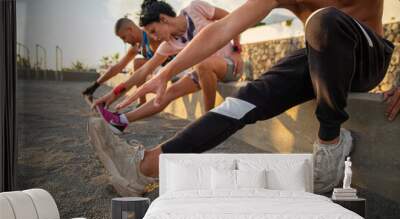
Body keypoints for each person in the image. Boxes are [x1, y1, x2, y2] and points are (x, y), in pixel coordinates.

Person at [120, 0, 394, 194]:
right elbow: (222, 29)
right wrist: (166, 73)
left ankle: (330, 140)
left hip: (368, 56)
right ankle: (152, 162)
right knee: (245, 99)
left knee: (324, 19)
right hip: (320, 55)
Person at [92, 0, 243, 134]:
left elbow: (232, 19)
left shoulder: (195, 8)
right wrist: (112, 94)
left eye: (153, 31)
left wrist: (237, 50)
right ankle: (121, 121)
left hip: (230, 65)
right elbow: (142, 72)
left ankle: (209, 121)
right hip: (203, 72)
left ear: (163, 19)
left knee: (203, 64)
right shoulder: (169, 44)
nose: (154, 37)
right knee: (169, 91)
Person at [82, 17, 162, 106]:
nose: (124, 41)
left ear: (130, 29)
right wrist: (94, 86)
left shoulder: (150, 34)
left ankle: (141, 101)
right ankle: (141, 102)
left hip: (173, 64)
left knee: (138, 62)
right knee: (137, 63)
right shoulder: (136, 47)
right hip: (159, 66)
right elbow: (118, 67)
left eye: (124, 37)